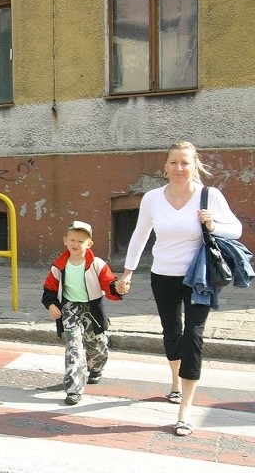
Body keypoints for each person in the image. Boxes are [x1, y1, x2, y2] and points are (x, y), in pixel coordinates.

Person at [119, 141, 241, 437]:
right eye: (173, 162)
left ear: (194, 164)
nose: (179, 168)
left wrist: (213, 226)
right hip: (163, 275)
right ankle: (175, 382)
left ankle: (185, 407)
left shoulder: (208, 196)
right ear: (165, 167)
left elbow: (235, 229)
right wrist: (127, 272)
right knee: (172, 332)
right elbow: (140, 234)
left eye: (185, 162)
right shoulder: (152, 198)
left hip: (198, 277)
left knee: (193, 334)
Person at [42, 220, 124, 405]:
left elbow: (109, 284)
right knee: (74, 346)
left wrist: (117, 288)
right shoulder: (59, 266)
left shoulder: (97, 264)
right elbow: (49, 289)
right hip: (70, 307)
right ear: (65, 240)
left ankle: (96, 368)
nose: (75, 244)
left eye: (81, 241)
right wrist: (51, 305)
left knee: (96, 342)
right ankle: (74, 389)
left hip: (92, 307)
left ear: (89, 244)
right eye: (72, 239)